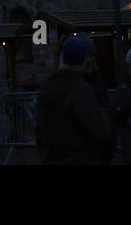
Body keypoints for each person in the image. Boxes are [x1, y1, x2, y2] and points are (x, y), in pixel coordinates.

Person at [35, 34, 113, 165]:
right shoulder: (79, 90)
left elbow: (40, 134)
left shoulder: (46, 88)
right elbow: (100, 132)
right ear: (85, 61)